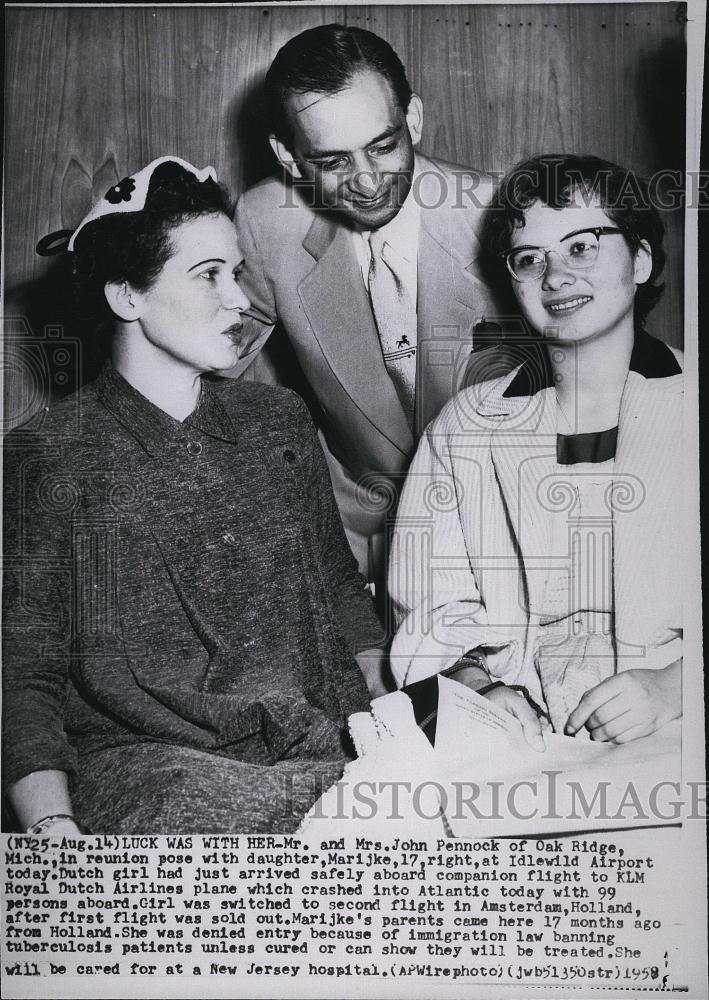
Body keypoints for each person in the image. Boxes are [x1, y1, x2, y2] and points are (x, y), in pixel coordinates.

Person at [2, 157, 387, 836]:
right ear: (128, 297)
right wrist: (51, 830)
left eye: (235, 271)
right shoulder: (48, 454)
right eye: (207, 275)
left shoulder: (278, 423)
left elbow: (337, 591)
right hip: (153, 778)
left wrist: (394, 737)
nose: (239, 300)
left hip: (322, 759)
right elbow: (22, 671)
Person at [387, 153, 684, 746]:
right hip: (518, 742)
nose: (554, 277)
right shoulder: (464, 428)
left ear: (642, 260)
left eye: (582, 246)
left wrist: (674, 688)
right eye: (530, 259)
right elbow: (427, 609)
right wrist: (477, 687)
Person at [232, 24, 504, 581]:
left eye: (383, 146)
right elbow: (223, 365)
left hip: (501, 527)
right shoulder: (264, 222)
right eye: (332, 162)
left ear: (415, 120)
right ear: (287, 156)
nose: (367, 181)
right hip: (350, 533)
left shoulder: (501, 220)